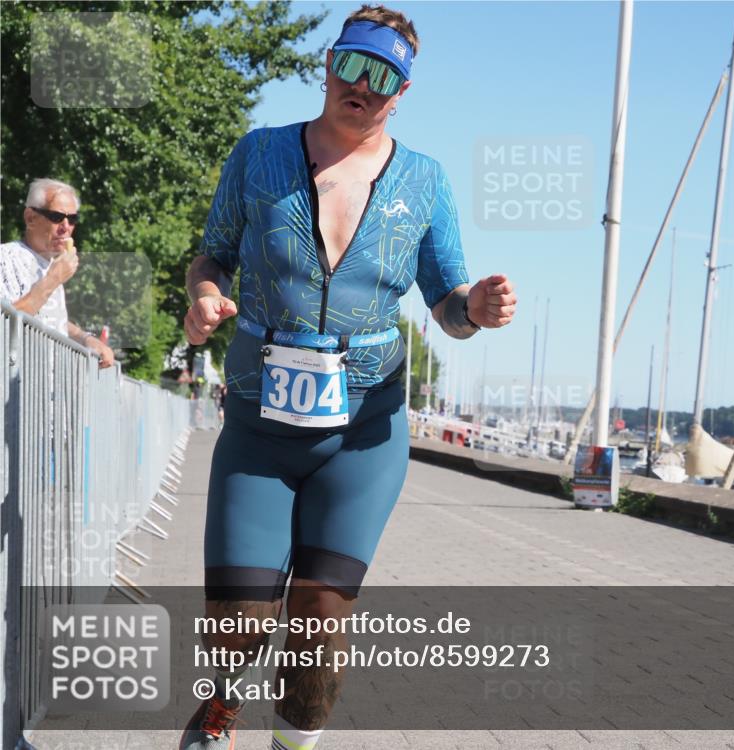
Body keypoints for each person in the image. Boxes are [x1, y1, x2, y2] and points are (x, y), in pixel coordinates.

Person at [179, 5, 517, 749]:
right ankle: (217, 716)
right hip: (259, 429)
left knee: (321, 620)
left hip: (364, 434)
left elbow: (447, 304)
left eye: (383, 75)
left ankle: (292, 745)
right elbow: (212, 255)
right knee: (238, 619)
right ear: (329, 65)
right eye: (353, 64)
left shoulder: (424, 181)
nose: (361, 85)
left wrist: (476, 310)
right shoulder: (259, 154)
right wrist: (204, 297)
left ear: (400, 93)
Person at [0, 178, 115, 368]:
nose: (66, 227)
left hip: (46, 391)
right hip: (12, 389)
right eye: (56, 217)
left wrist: (86, 338)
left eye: (73, 219)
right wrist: (52, 280)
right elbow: (6, 321)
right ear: (30, 218)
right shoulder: (6, 258)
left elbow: (48, 318)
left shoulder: (51, 265)